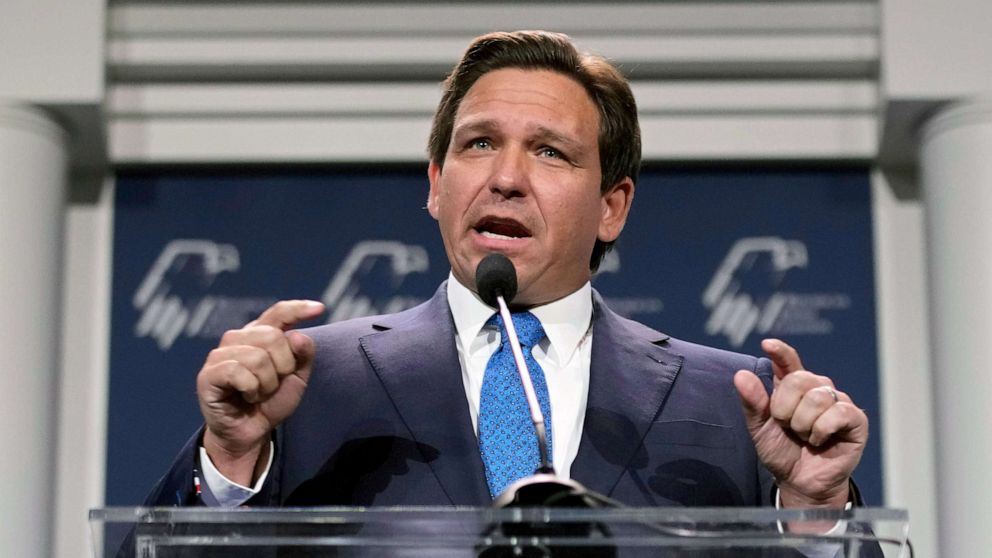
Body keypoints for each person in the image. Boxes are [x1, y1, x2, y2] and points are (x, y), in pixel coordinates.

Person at [145, 30, 868, 516]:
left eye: (550, 152)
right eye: (480, 143)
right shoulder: (308, 383)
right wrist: (232, 459)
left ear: (612, 207)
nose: (506, 178)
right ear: (435, 183)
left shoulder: (734, 403)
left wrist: (813, 517)